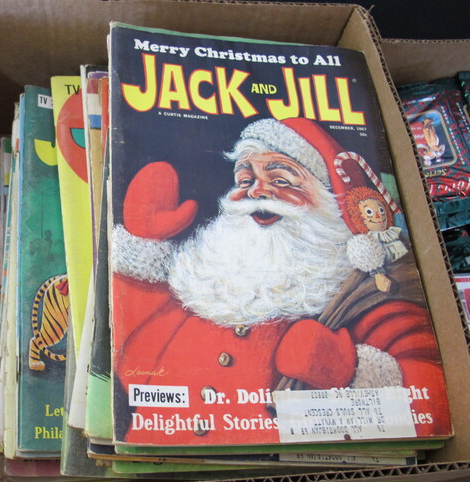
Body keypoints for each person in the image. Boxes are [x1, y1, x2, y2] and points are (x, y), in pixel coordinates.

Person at [111, 117, 449, 445]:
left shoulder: (370, 299)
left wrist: (348, 371)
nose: (257, 191)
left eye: (282, 181)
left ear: (329, 205)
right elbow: (133, 366)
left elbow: (431, 410)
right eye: (245, 180)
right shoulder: (206, 287)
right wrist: (143, 252)